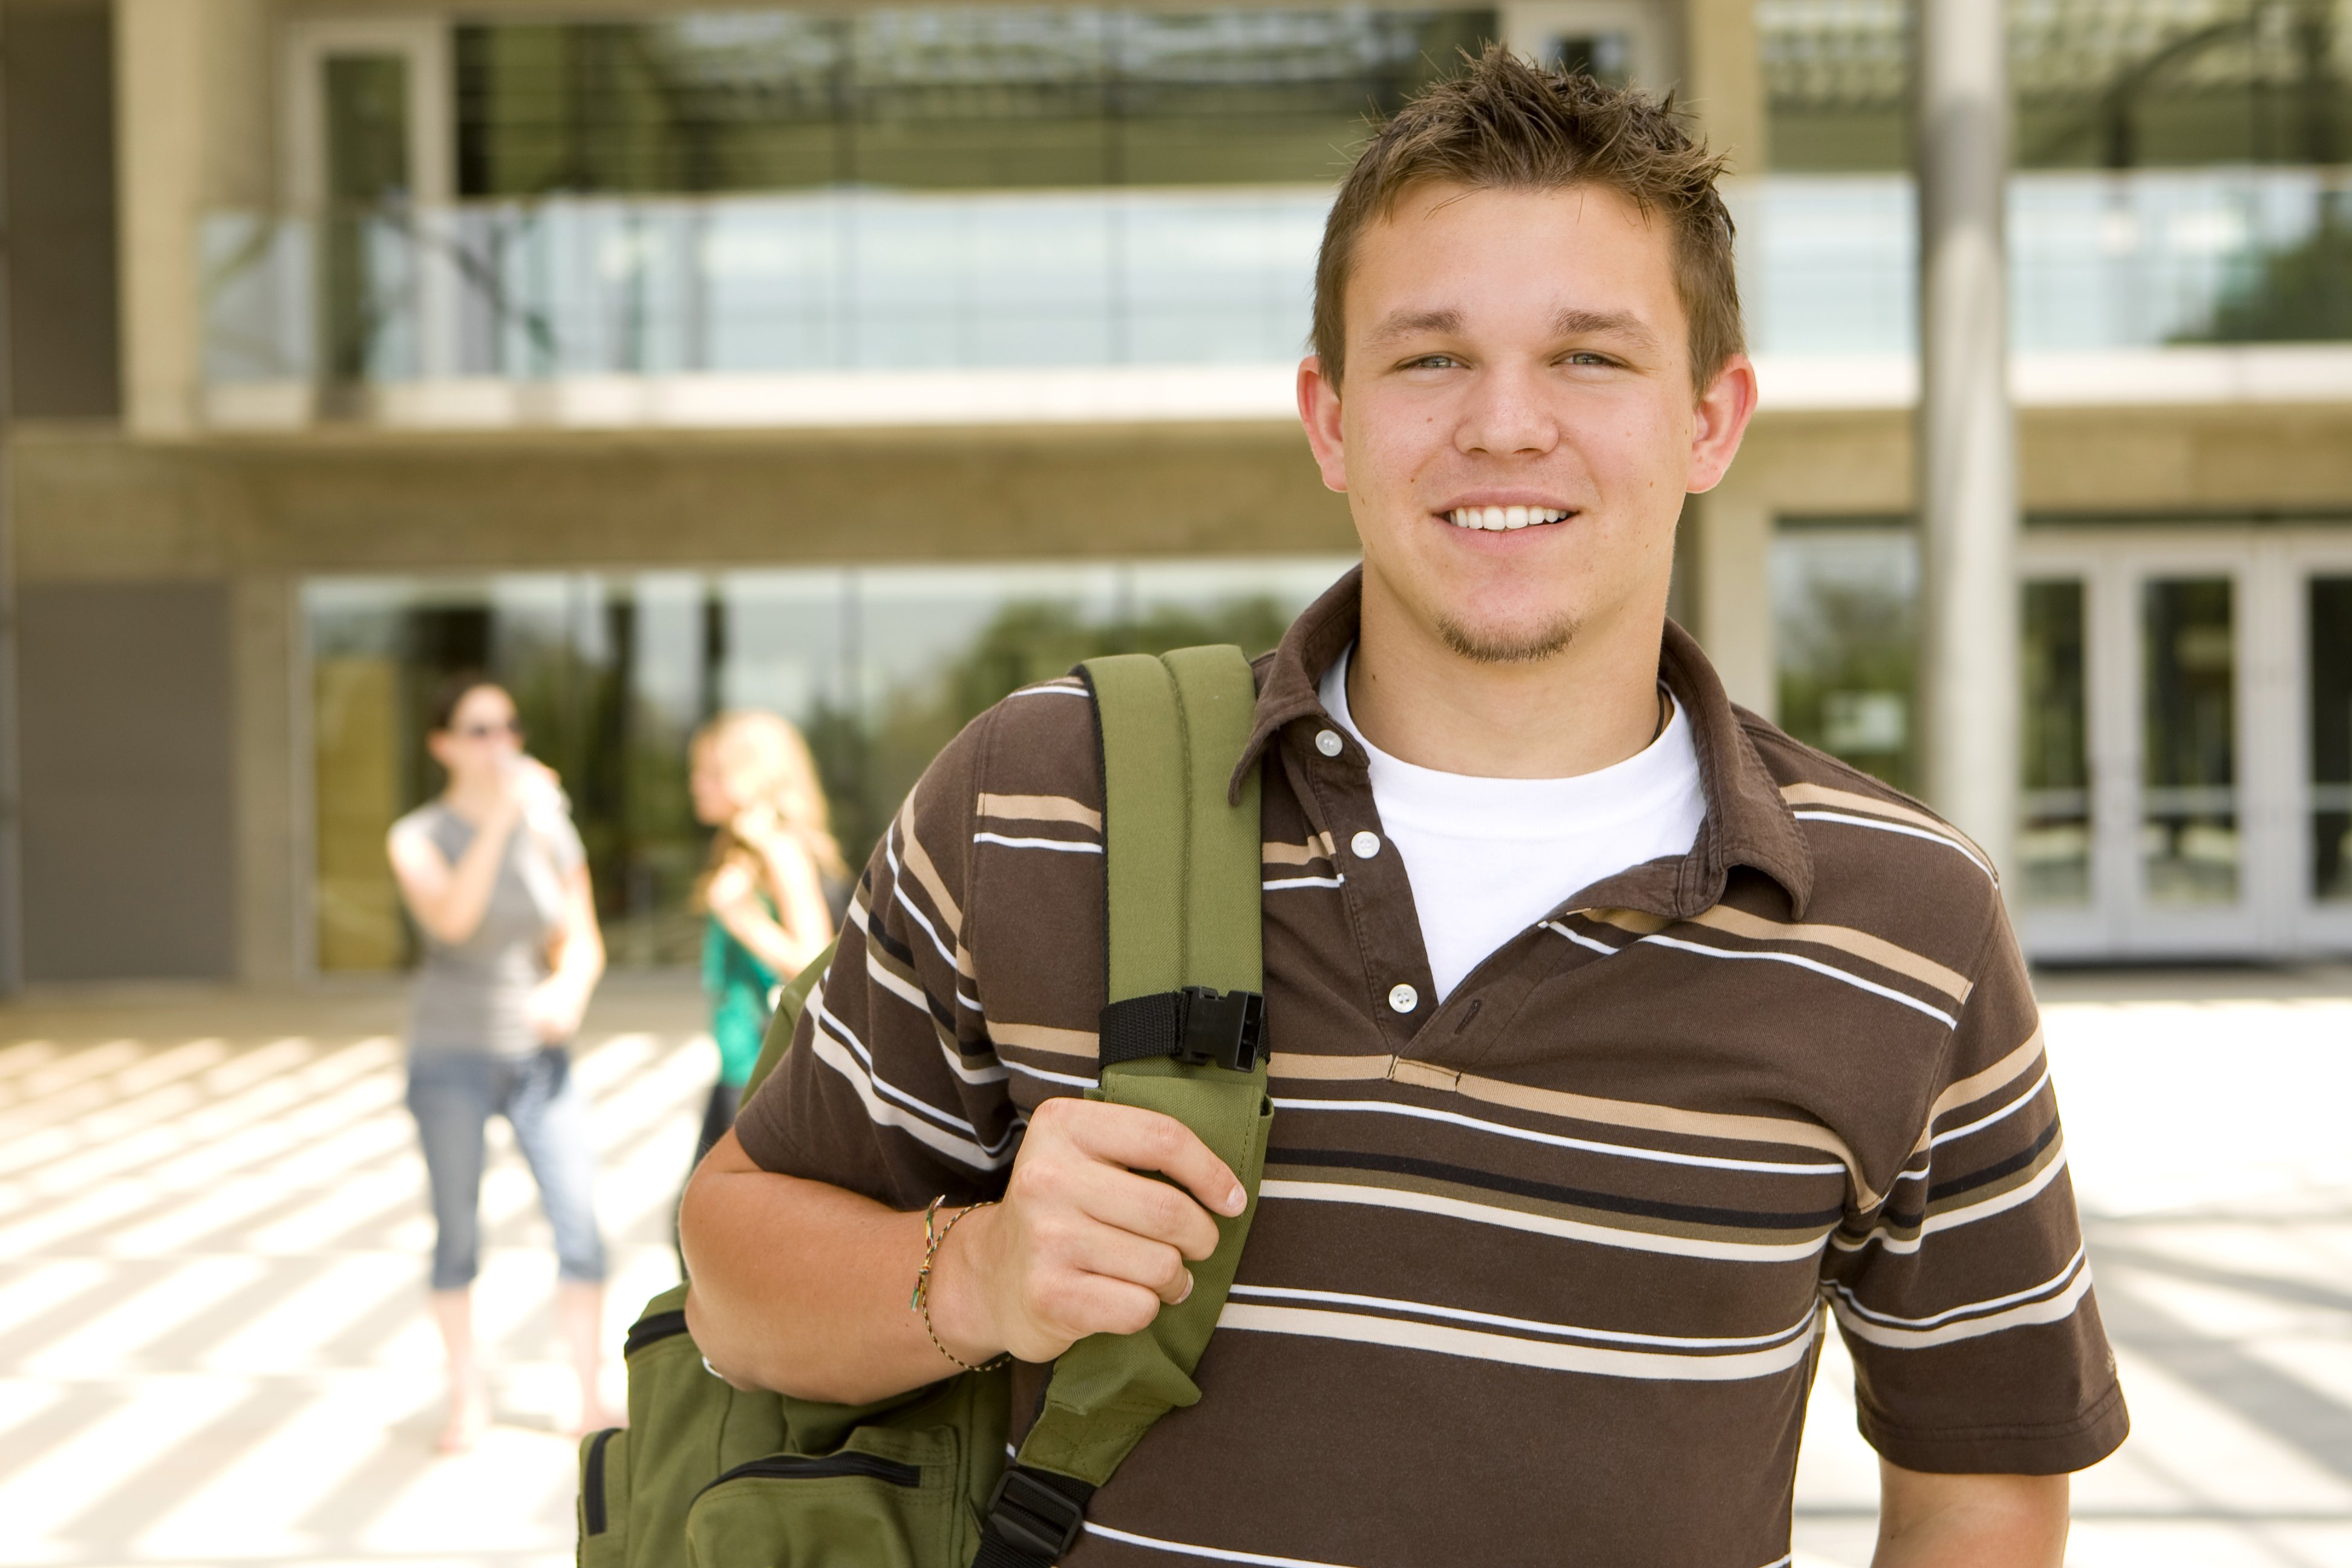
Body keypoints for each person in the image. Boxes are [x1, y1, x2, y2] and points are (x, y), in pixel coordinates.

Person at [680, 51, 2128, 1567]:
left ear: (1711, 420)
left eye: (1589, 357)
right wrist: (975, 1274)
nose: (1505, 427)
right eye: (1430, 358)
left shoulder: (1907, 919)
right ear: (1329, 418)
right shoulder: (1045, 795)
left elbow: (1984, 1466)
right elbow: (732, 1272)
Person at [387, 675, 613, 1454]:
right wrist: (504, 818)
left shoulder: (550, 827)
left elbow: (582, 937)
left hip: (539, 1059)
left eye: (509, 727)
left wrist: (570, 988)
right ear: (443, 744)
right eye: (479, 731)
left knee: (580, 1224)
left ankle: (587, 1397)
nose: (500, 744)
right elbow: (452, 917)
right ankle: (467, 1401)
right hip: (449, 1056)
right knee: (457, 1233)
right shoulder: (416, 836)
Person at [685, 711, 843, 1171]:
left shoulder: (778, 847)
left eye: (713, 772)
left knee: (707, 1221)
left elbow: (815, 966)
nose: (697, 783)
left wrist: (741, 919)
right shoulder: (747, 849)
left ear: (756, 776)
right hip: (740, 1061)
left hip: (762, 1068)